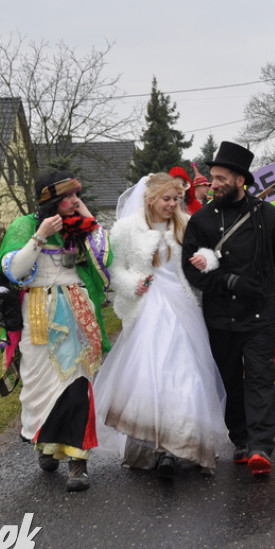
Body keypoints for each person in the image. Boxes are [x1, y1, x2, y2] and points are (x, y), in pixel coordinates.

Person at [94, 173, 227, 478]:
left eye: (176, 199)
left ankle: (181, 444)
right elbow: (115, 268)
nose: (172, 204)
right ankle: (153, 445)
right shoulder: (127, 229)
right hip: (148, 307)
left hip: (182, 306)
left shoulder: (185, 223)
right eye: (166, 199)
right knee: (152, 374)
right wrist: (132, 284)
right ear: (150, 198)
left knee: (187, 374)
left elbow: (209, 251)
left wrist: (206, 260)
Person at [181, 141, 275, 477]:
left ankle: (262, 446)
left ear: (238, 180)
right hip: (220, 314)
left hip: (261, 313)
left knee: (261, 378)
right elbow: (192, 268)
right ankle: (242, 440)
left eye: (220, 177)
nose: (212, 183)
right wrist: (229, 282)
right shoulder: (201, 221)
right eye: (213, 177)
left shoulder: (267, 215)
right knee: (230, 380)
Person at [0, 171, 112, 492]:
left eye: (77, 196)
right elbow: (15, 271)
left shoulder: (80, 226)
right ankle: (46, 445)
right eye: (70, 197)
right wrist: (40, 236)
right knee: (40, 386)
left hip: (76, 310)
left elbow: (103, 259)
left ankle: (78, 461)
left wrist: (87, 218)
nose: (76, 202)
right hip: (37, 314)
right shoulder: (24, 226)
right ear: (51, 201)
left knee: (77, 380)